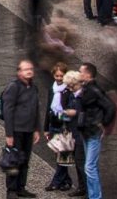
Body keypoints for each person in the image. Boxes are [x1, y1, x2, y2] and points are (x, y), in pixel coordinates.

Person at [5, 58, 46, 197]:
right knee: (13, 161)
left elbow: (36, 109)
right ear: (19, 72)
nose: (29, 71)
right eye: (26, 69)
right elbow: (8, 110)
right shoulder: (14, 87)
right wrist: (9, 134)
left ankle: (21, 187)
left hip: (28, 130)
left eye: (31, 69)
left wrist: (36, 129)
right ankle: (11, 190)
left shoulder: (34, 88)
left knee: (25, 160)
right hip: (16, 130)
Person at [73, 62, 114, 199]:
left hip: (92, 132)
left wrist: (103, 123)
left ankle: (95, 196)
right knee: (91, 166)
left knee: (89, 167)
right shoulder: (86, 88)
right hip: (86, 131)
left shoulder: (94, 90)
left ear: (88, 74)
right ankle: (93, 195)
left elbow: (110, 107)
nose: (79, 74)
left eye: (81, 72)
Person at [48, 65, 79, 193]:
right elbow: (48, 110)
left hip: (64, 127)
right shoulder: (53, 89)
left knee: (63, 156)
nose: (59, 78)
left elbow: (71, 109)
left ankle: (56, 182)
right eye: (57, 76)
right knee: (59, 156)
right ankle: (66, 181)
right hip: (53, 125)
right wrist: (46, 128)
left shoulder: (68, 90)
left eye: (61, 76)